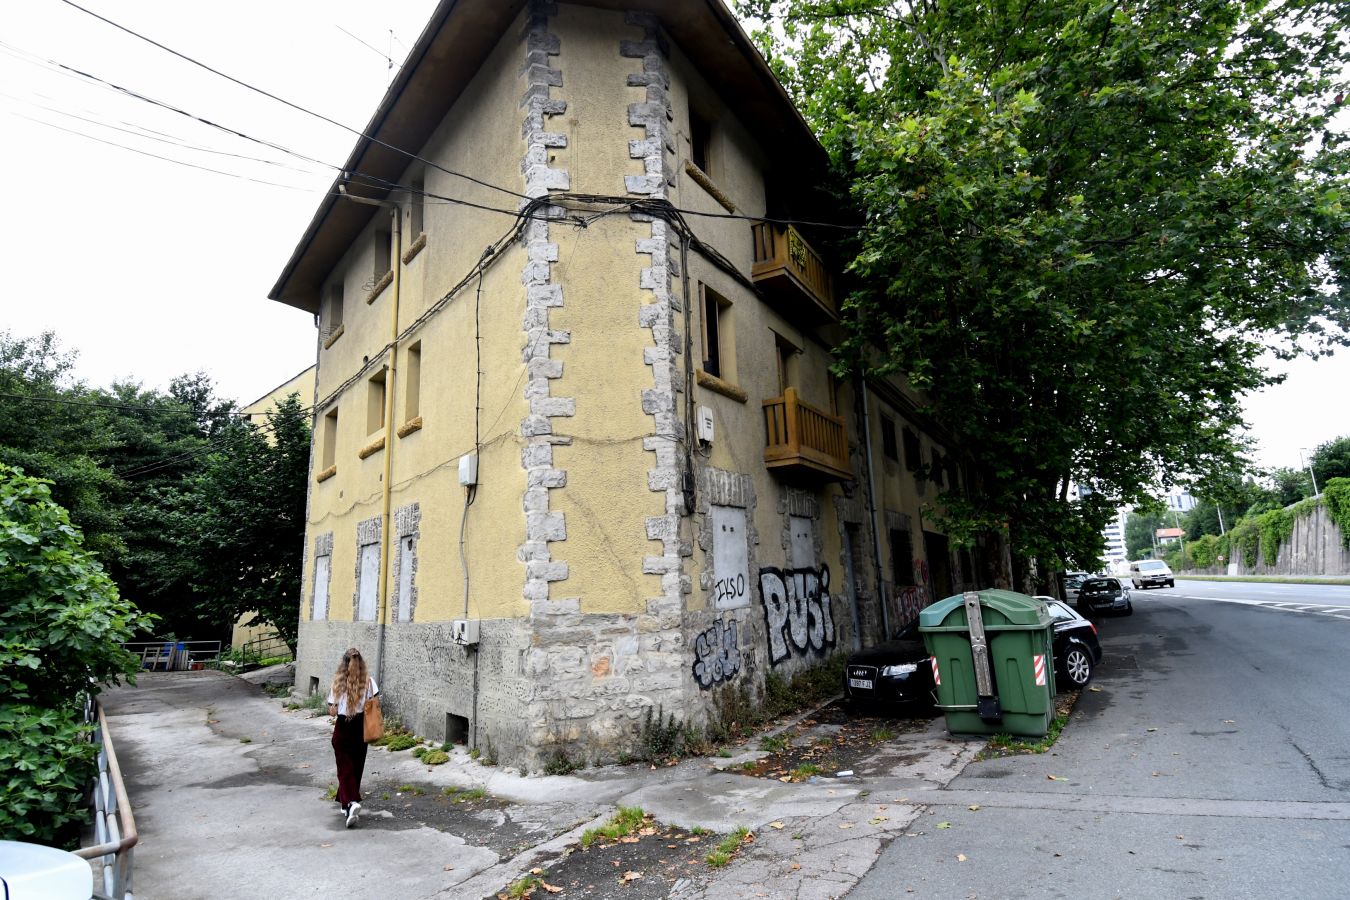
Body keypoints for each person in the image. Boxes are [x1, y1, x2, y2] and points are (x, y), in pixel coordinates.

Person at [326, 647, 378, 828]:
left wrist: (336, 707)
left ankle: (351, 802)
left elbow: (332, 711)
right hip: (361, 727)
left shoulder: (338, 683)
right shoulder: (370, 682)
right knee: (355, 767)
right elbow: (375, 703)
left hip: (343, 727)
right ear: (361, 663)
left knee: (344, 767)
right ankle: (345, 803)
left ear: (344, 663)